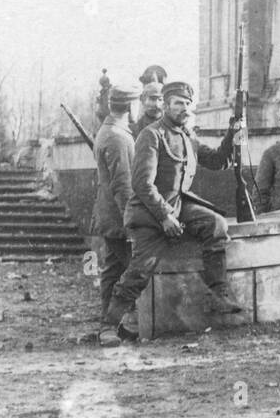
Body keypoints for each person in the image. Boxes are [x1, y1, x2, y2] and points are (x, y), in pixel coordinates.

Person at [99, 81, 242, 346]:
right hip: (149, 213)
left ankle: (219, 291)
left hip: (178, 205)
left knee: (216, 225)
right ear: (166, 105)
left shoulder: (187, 136)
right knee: (141, 269)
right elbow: (142, 184)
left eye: (187, 104)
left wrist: (233, 134)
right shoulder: (151, 135)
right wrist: (165, 216)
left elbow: (219, 160)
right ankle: (109, 325)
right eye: (178, 103)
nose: (184, 108)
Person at [91, 86, 139, 341]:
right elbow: (122, 183)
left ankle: (111, 326)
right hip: (118, 218)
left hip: (110, 215)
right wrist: (132, 221)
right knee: (133, 271)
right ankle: (108, 326)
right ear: (131, 107)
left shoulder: (109, 131)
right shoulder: (117, 137)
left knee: (112, 271)